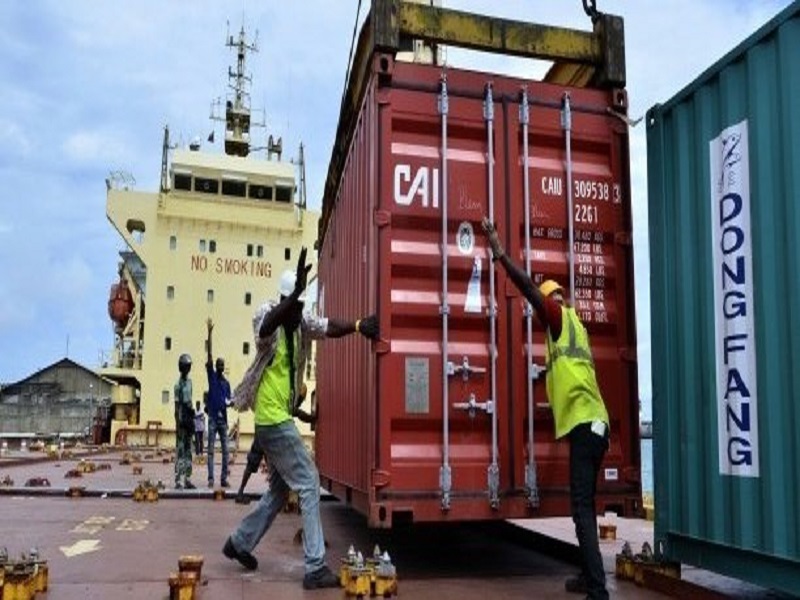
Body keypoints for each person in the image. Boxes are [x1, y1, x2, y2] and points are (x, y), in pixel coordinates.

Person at [222, 247, 378, 590]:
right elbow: (266, 324)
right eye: (297, 306)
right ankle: (315, 566)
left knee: (279, 491)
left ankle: (239, 542)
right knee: (309, 479)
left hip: (278, 418)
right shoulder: (271, 317)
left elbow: (327, 326)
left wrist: (357, 325)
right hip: (271, 419)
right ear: (286, 301)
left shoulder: (299, 322)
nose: (301, 314)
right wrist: (292, 297)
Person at [482, 218, 610, 600]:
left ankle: (598, 591)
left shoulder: (556, 317)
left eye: (545, 302)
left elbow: (529, 292)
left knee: (582, 510)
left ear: (553, 300)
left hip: (587, 427)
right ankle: (590, 578)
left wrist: (502, 255)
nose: (541, 313)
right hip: (593, 426)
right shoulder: (576, 327)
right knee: (582, 507)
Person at [234, 383, 315, 506]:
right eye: (301, 400)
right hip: (268, 430)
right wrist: (313, 418)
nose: (300, 402)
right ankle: (244, 493)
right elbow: (299, 413)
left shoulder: (285, 397)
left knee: (264, 464)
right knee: (259, 462)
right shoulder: (287, 400)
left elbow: (297, 412)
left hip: (264, 428)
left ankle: (267, 494)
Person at [205, 318, 231, 488]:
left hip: (223, 420)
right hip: (213, 419)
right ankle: (211, 479)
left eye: (222, 364)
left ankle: (223, 479)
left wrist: (231, 403)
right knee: (211, 451)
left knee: (226, 451)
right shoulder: (212, 377)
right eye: (218, 364)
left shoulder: (227, 384)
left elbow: (229, 400)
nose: (220, 366)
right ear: (216, 366)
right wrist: (209, 334)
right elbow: (209, 355)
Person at [174, 353, 196, 490]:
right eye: (186, 367)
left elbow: (190, 401)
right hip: (181, 418)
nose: (187, 369)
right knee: (180, 449)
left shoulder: (190, 382)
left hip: (189, 416)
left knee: (189, 450)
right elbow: (177, 406)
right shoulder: (178, 385)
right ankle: (178, 479)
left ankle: (187, 478)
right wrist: (178, 422)